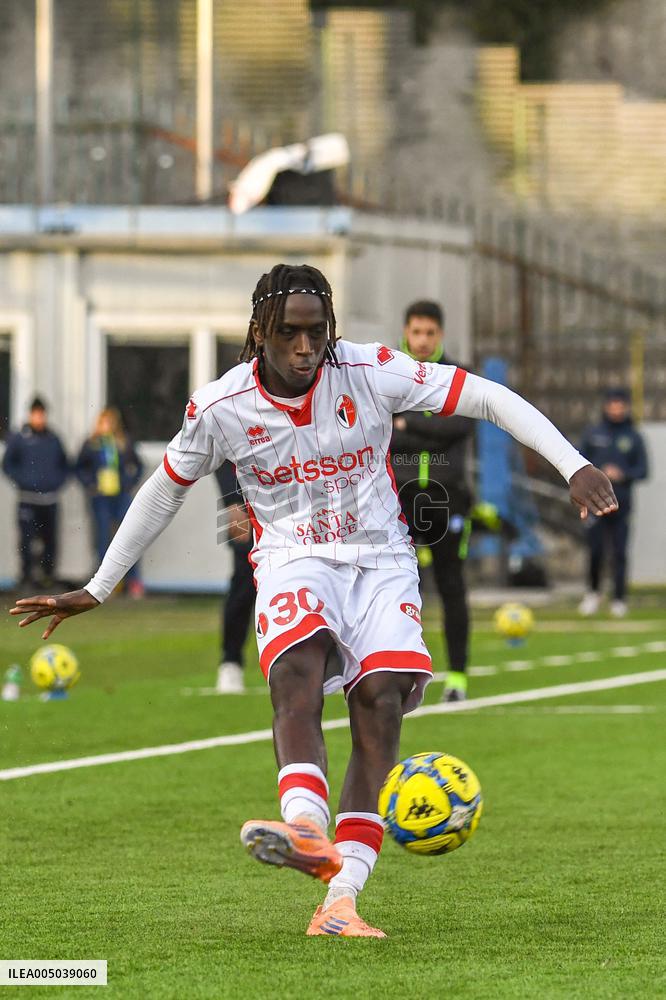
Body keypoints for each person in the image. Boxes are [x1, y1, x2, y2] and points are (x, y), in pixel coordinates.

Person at [11, 263, 617, 939]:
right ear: (258, 333)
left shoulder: (369, 370)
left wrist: (573, 464)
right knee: (299, 666)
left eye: (317, 332)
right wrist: (99, 585)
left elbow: (486, 396)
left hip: (382, 558)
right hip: (291, 555)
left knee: (380, 700)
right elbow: (164, 489)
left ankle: (341, 898)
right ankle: (304, 826)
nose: (305, 348)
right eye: (289, 334)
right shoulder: (220, 407)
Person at [391, 299, 474, 703]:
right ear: (406, 332)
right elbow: (385, 432)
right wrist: (430, 428)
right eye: (416, 332)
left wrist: (409, 423)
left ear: (440, 334)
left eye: (430, 333)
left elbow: (460, 426)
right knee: (397, 588)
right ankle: (398, 672)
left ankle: (457, 676)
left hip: (447, 497)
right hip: (399, 497)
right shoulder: (388, 374)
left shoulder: (459, 376)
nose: (422, 340)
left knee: (451, 584)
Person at [578, 387, 648, 617]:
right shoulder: (593, 433)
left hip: (621, 504)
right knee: (595, 550)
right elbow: (578, 462)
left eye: (620, 405)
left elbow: (643, 470)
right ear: (606, 406)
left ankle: (619, 598)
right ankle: (593, 593)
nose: (616, 409)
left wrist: (623, 474)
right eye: (612, 404)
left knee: (619, 552)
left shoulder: (633, 437)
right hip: (595, 504)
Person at [75, 408, 145, 599]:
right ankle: (105, 584)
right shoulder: (91, 444)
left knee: (129, 536)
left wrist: (129, 483)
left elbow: (138, 465)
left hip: (121, 496)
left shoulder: (123, 442)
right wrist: (90, 484)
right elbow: (79, 467)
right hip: (101, 498)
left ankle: (133, 580)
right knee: (103, 538)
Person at [2, 396, 69, 587]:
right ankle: (26, 577)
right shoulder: (19, 438)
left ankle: (48, 576)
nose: (39, 418)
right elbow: (7, 464)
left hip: (50, 500)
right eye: (36, 414)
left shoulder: (53, 438)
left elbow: (65, 465)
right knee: (26, 540)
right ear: (30, 415)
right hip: (28, 499)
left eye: (42, 414)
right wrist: (23, 481)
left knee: (50, 540)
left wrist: (55, 483)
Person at [214, 460, 255, 694]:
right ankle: (231, 662)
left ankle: (327, 664)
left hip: (296, 505)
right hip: (249, 505)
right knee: (243, 586)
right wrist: (232, 502)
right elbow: (221, 455)